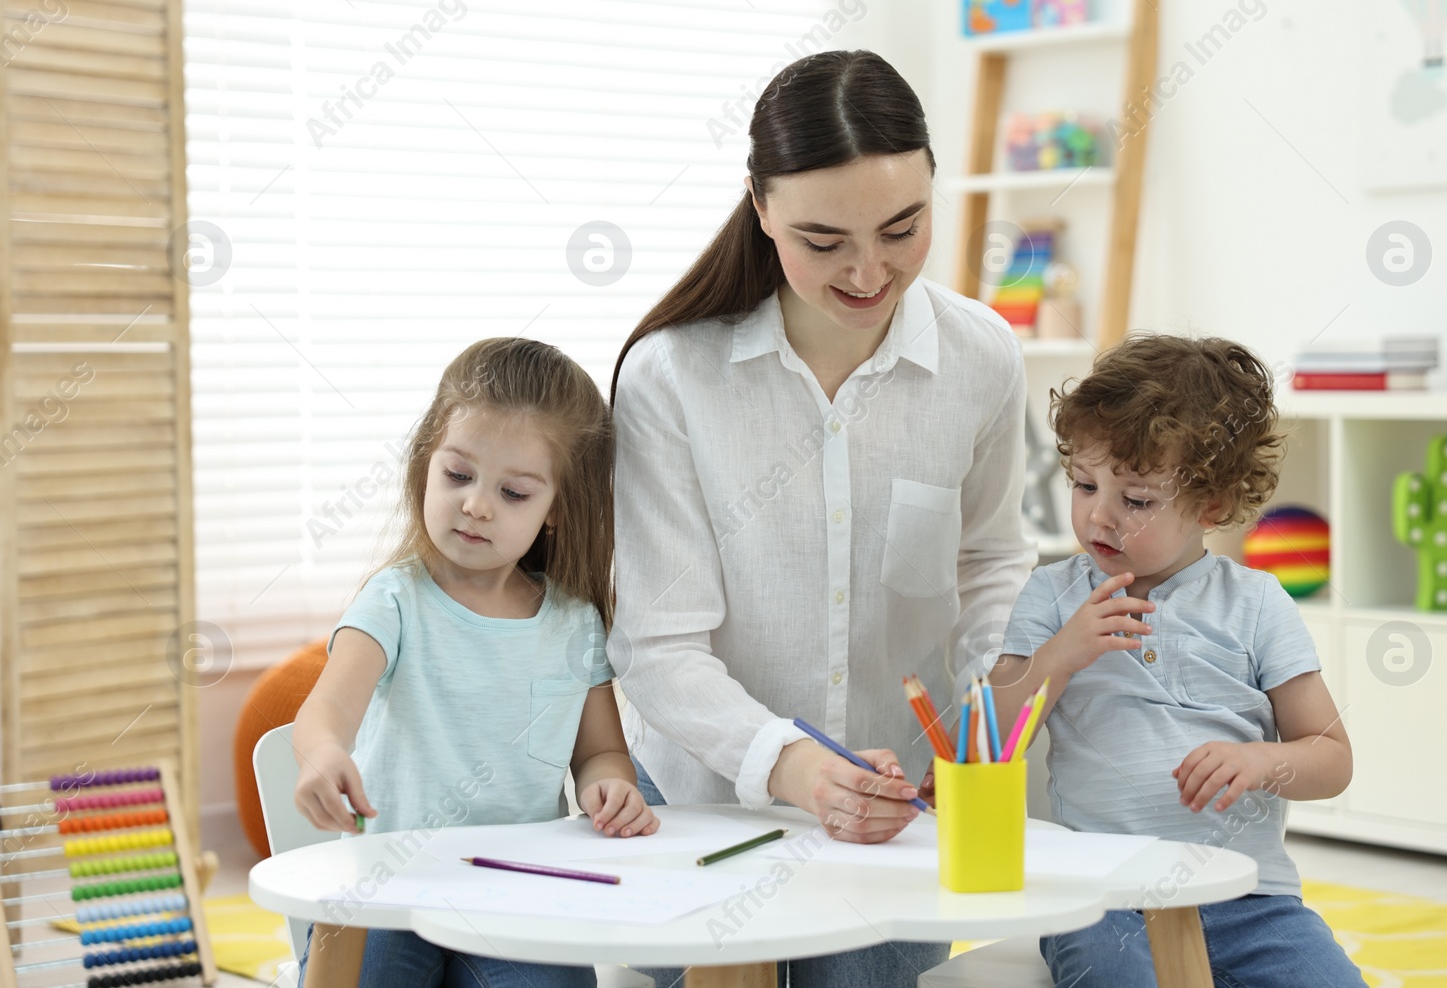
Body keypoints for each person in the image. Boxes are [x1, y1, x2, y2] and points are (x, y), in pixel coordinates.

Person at [609, 49, 1033, 986]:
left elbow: (991, 559)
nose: (868, 270)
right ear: (761, 209)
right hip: (702, 808)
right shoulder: (671, 378)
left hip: (896, 815)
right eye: (824, 240)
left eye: (901, 227)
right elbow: (657, 646)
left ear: (932, 185)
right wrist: (795, 766)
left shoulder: (984, 358)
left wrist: (985, 708)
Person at [988, 334, 1363, 988]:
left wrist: (1260, 761)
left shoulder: (1257, 602)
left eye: (1135, 500)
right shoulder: (1051, 596)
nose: (1098, 513)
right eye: (1082, 483)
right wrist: (1060, 655)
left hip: (1252, 899)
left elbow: (1331, 759)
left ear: (1211, 505)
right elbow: (987, 740)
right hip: (1100, 899)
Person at [292, 337, 657, 988]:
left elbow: (600, 753)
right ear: (425, 465)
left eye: (514, 492)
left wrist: (611, 786)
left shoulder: (574, 622)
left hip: (516, 890)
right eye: (458, 475)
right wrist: (322, 754)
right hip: (386, 883)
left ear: (555, 512)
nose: (476, 504)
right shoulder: (395, 598)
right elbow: (328, 708)